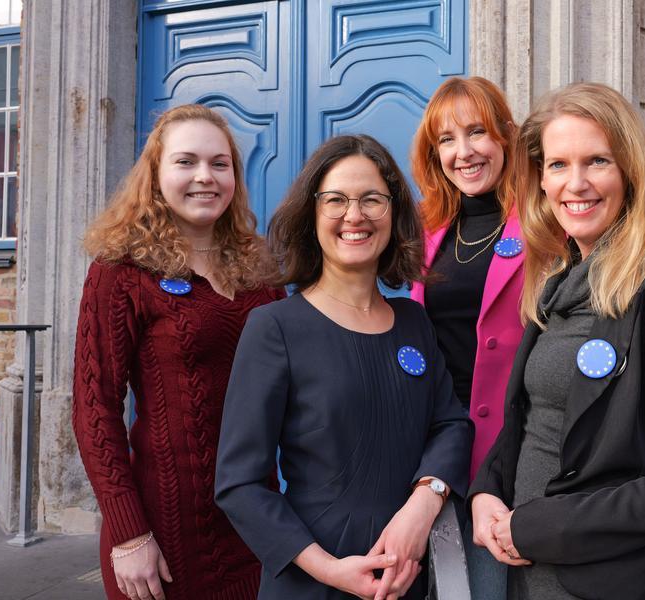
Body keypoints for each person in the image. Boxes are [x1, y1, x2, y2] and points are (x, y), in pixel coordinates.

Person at [468, 82, 645, 600]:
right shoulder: (556, 283)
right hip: (521, 576)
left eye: (597, 161)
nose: (576, 184)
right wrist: (487, 489)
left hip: (599, 584)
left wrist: (549, 529)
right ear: (540, 180)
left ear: (629, 172)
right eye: (557, 165)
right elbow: (531, 422)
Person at [214, 134, 472, 600]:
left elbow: (451, 424)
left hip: (408, 577)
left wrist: (423, 503)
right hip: (313, 581)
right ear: (311, 214)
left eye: (372, 199)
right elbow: (240, 485)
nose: (354, 215)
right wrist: (329, 570)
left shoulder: (414, 321)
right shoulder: (275, 327)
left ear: (394, 213)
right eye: (335, 200)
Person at [72, 104, 285, 600]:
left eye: (219, 163)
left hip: (255, 521)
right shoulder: (122, 270)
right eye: (186, 162)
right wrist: (128, 532)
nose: (204, 177)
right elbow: (93, 406)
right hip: (160, 533)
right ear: (157, 173)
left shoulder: (260, 270)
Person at [409, 75, 524, 600]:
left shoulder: (544, 221)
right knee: (448, 584)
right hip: (437, 443)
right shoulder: (426, 228)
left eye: (476, 132)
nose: (464, 152)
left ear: (504, 135)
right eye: (446, 140)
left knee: (493, 583)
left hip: (513, 448)